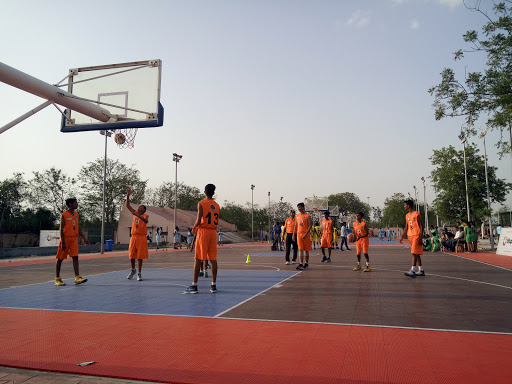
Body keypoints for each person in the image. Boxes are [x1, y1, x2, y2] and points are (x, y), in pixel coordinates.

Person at [184, 184, 220, 294]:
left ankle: (194, 285)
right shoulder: (217, 205)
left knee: (198, 258)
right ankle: (213, 285)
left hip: (203, 231)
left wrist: (193, 229)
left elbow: (199, 219)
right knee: (213, 259)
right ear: (214, 193)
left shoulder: (201, 203)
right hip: (213, 232)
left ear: (204, 192)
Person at [54, 198, 90, 286]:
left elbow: (78, 227)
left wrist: (84, 238)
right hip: (65, 239)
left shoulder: (76, 214)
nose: (77, 204)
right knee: (60, 258)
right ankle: (57, 278)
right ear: (70, 204)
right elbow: (61, 228)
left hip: (74, 239)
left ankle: (77, 277)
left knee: (75, 257)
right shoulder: (64, 215)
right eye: (75, 203)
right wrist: (63, 242)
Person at [126, 188, 149, 281]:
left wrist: (138, 216)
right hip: (134, 237)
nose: (139, 207)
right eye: (139, 206)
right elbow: (128, 205)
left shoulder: (145, 215)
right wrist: (128, 195)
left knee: (140, 256)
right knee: (131, 255)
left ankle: (139, 273)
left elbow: (146, 221)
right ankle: (133, 270)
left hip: (141, 238)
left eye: (141, 207)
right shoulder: (134, 213)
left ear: (143, 210)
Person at [400, 200, 424, 277]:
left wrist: (421, 237)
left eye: (405, 205)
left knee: (413, 252)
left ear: (409, 206)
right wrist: (402, 236)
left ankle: (412, 270)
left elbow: (421, 226)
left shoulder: (416, 214)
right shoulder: (407, 215)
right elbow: (406, 227)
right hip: (410, 235)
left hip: (416, 235)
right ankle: (421, 270)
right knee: (416, 253)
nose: (404, 206)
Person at [293, 202, 312, 270]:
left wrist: (306, 234)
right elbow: (296, 225)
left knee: (306, 250)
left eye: (300, 207)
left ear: (303, 207)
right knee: (300, 249)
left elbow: (310, 226)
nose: (299, 208)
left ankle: (306, 263)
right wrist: (293, 234)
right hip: (299, 234)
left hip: (306, 235)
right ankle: (301, 263)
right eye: (298, 207)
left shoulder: (307, 216)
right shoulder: (297, 216)